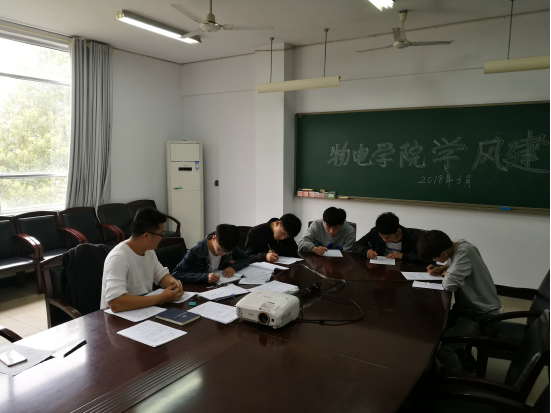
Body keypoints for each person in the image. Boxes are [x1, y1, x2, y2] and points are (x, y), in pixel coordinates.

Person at [417, 230, 501, 376]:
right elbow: (453, 261)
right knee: (431, 328)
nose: (435, 261)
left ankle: (459, 377)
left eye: (435, 259)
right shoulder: (455, 244)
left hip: (482, 318)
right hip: (466, 311)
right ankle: (462, 358)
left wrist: (447, 273)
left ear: (443, 253)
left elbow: (449, 285)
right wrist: (443, 268)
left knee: (441, 348)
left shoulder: (464, 252)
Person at [100, 208, 184, 312]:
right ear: (146, 236)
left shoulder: (148, 251)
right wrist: (161, 298)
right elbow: (115, 303)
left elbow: (160, 275)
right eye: (161, 234)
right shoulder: (118, 257)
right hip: (118, 318)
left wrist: (174, 283)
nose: (162, 238)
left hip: (142, 312)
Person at [172, 224, 250, 283]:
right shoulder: (197, 250)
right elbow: (176, 274)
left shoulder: (228, 247)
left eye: (227, 251)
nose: (223, 254)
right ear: (214, 238)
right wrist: (204, 277)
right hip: (200, 289)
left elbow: (246, 258)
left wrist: (233, 267)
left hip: (220, 285)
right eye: (220, 250)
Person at [352, 212, 425, 261]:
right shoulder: (375, 232)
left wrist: (403, 256)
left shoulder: (413, 237)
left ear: (397, 231)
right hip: (380, 270)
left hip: (403, 271)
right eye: (381, 237)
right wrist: (366, 251)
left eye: (388, 237)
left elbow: (426, 257)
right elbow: (356, 245)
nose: (384, 240)